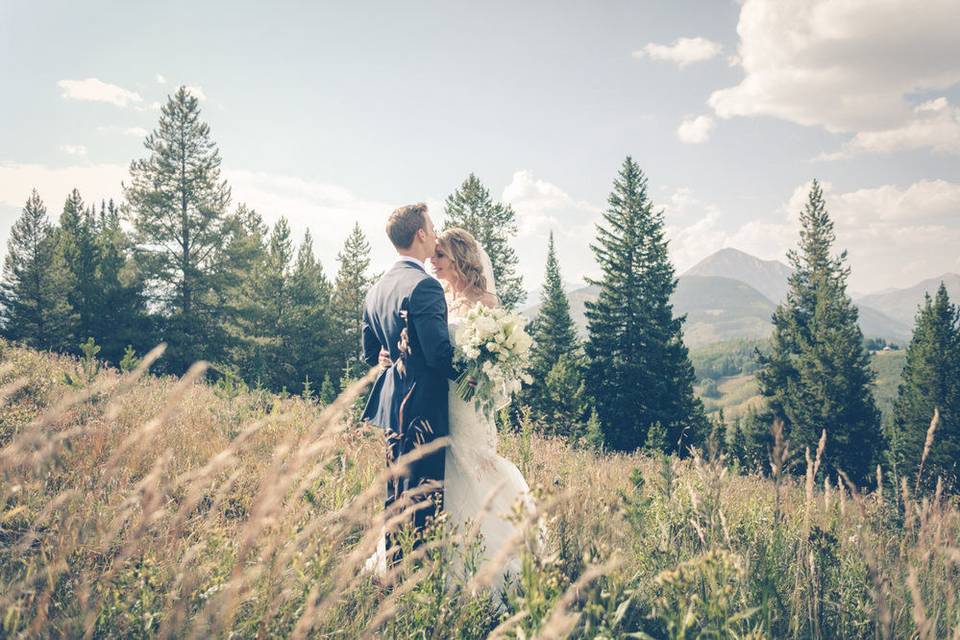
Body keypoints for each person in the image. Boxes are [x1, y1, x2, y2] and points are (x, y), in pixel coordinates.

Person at [374, 226, 535, 594]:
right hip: (437, 398)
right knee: (441, 471)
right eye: (434, 254)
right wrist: (391, 355)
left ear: (460, 258)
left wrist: (483, 372)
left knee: (471, 467)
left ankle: (483, 563)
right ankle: (436, 556)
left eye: (441, 255)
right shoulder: (437, 295)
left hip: (467, 401)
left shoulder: (487, 302)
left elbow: (496, 357)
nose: (433, 260)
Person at [361, 203, 454, 568]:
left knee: (397, 493)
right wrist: (481, 368)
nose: (435, 234)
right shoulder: (425, 286)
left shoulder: (375, 290)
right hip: (424, 410)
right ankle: (421, 576)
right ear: (420, 234)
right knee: (426, 496)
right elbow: (439, 355)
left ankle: (394, 568)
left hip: (392, 411)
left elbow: (372, 354)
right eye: (432, 228)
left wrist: (393, 357)